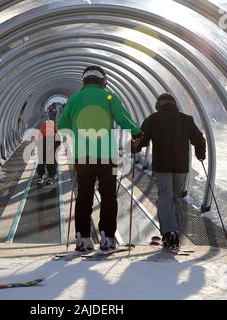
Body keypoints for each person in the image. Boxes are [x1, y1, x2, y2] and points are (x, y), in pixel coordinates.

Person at [57, 66, 142, 251]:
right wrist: (136, 132)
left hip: (82, 157)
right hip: (107, 156)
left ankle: (83, 238)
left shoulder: (74, 99)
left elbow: (61, 125)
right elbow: (122, 117)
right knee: (108, 196)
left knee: (84, 196)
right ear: (103, 80)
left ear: (85, 81)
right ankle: (107, 237)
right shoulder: (109, 96)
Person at [136, 93, 206, 250]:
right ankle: (175, 234)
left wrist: (133, 148)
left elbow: (141, 140)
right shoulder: (186, 119)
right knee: (176, 198)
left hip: (162, 167)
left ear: (158, 105)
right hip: (181, 167)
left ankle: (169, 234)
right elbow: (199, 138)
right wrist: (200, 154)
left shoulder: (153, 119)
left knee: (165, 197)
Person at [35, 108, 60, 185]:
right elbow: (58, 142)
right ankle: (50, 175)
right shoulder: (53, 129)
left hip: (44, 142)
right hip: (47, 142)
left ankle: (41, 175)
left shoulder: (44, 129)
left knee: (43, 159)